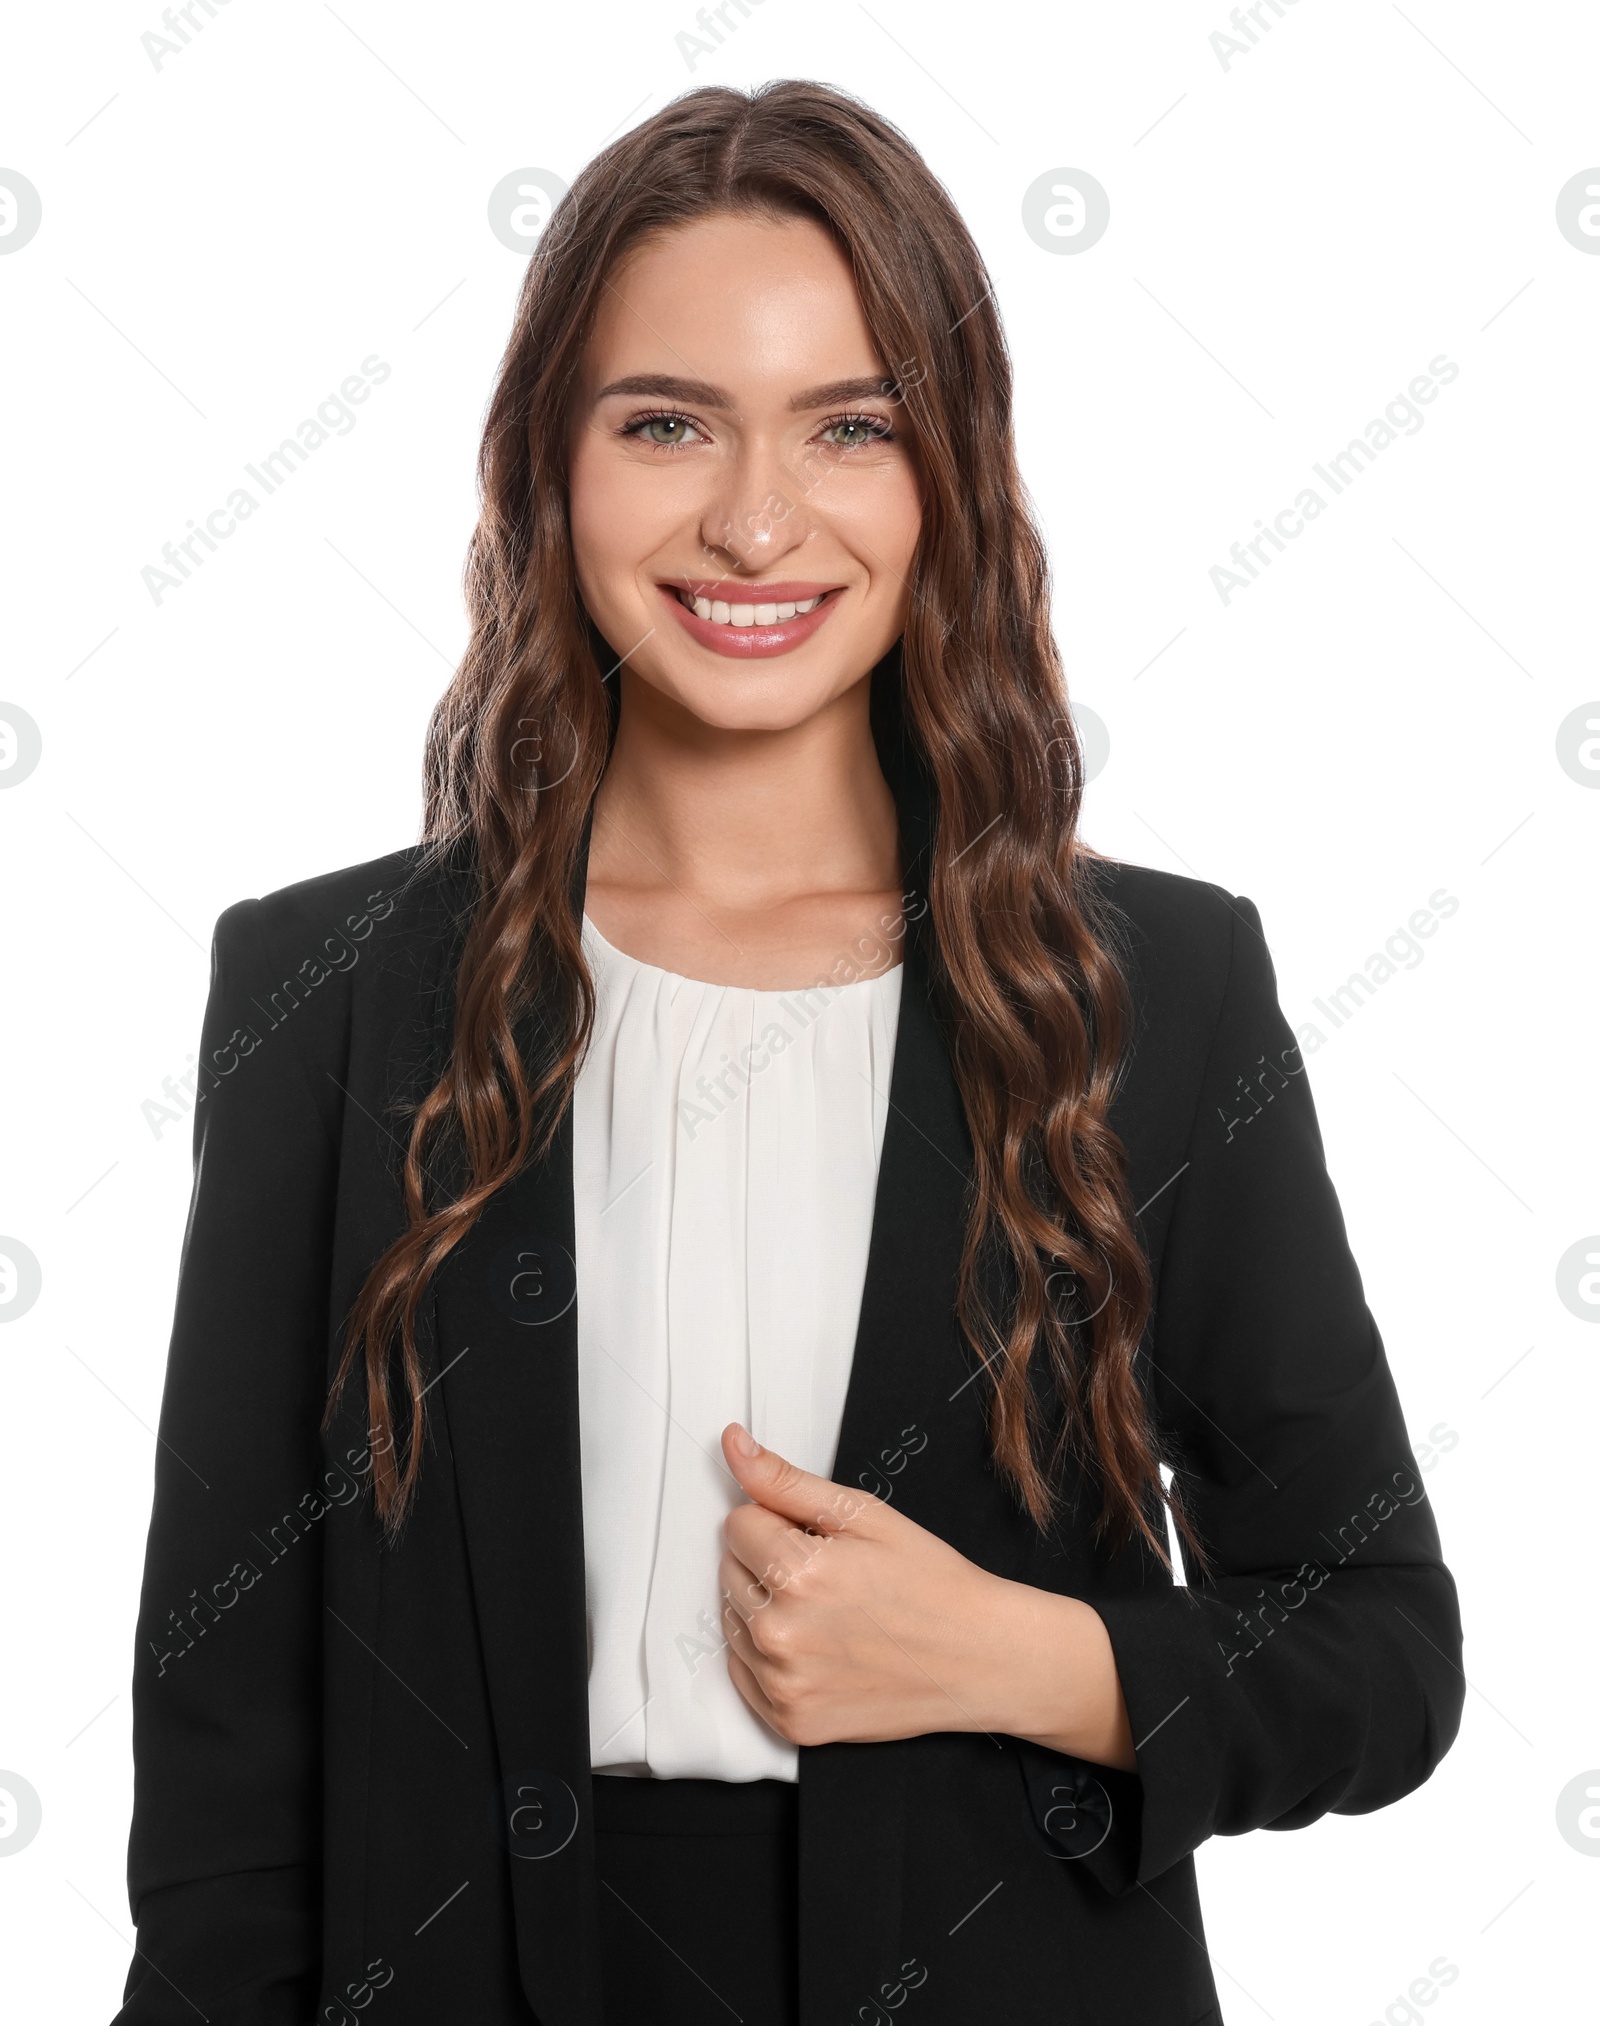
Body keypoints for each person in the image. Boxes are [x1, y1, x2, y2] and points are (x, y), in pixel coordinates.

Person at [114, 80, 1464, 2026]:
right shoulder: (326, 990)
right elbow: (227, 1751)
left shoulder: (1150, 987)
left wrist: (1016, 1654)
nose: (754, 516)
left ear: (945, 479)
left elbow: (1378, 1646)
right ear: (543, 469)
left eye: (848, 427)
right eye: (665, 422)